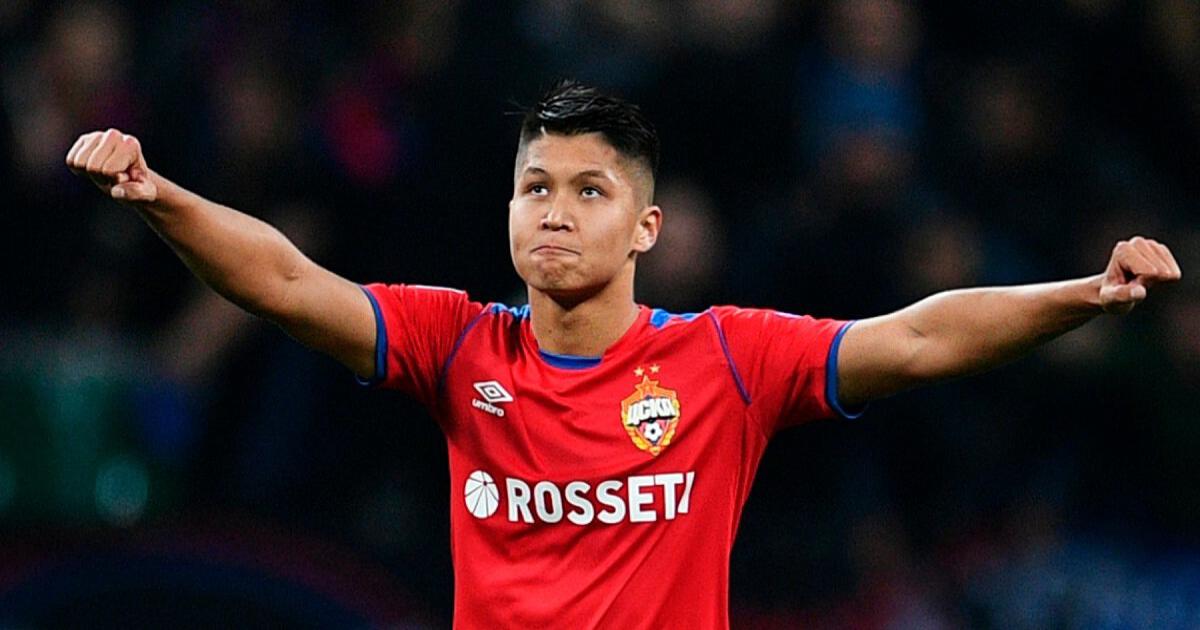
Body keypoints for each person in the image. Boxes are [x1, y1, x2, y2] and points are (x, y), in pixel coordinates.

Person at [66, 80, 1181, 629]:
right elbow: (285, 283)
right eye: (534, 187)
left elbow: (922, 337)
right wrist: (159, 195)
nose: (554, 211)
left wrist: (1085, 294)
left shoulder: (730, 359)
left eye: (588, 190)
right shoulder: (457, 344)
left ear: (646, 228)